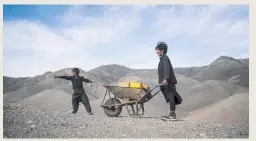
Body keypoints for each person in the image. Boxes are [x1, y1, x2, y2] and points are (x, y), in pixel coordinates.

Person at [155, 42, 182, 120]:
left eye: (157, 50)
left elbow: (167, 68)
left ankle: (172, 115)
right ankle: (171, 114)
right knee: (170, 96)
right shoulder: (163, 58)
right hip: (166, 81)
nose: (157, 52)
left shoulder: (165, 58)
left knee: (170, 96)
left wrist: (166, 79)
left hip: (168, 82)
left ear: (162, 50)